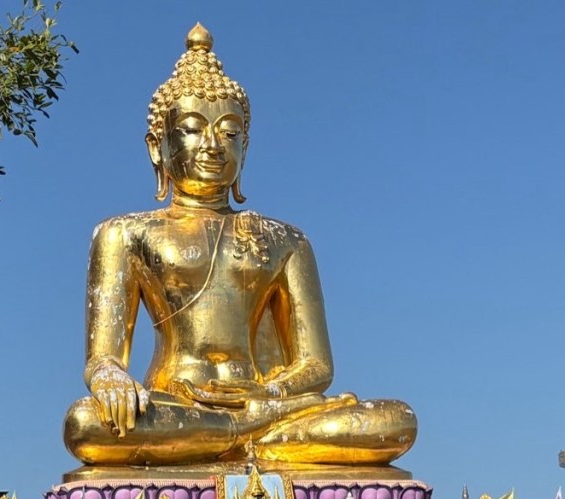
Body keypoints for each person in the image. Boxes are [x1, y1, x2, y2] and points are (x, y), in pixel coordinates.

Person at [63, 24, 417, 468]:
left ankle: (237, 434)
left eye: (229, 133)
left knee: (395, 421)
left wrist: (268, 395)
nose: (213, 146)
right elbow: (103, 359)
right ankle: (243, 436)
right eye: (192, 129)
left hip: (270, 405)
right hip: (176, 405)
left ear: (245, 148)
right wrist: (110, 376)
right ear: (157, 146)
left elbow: (317, 366)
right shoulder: (123, 234)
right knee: (86, 424)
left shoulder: (286, 240)